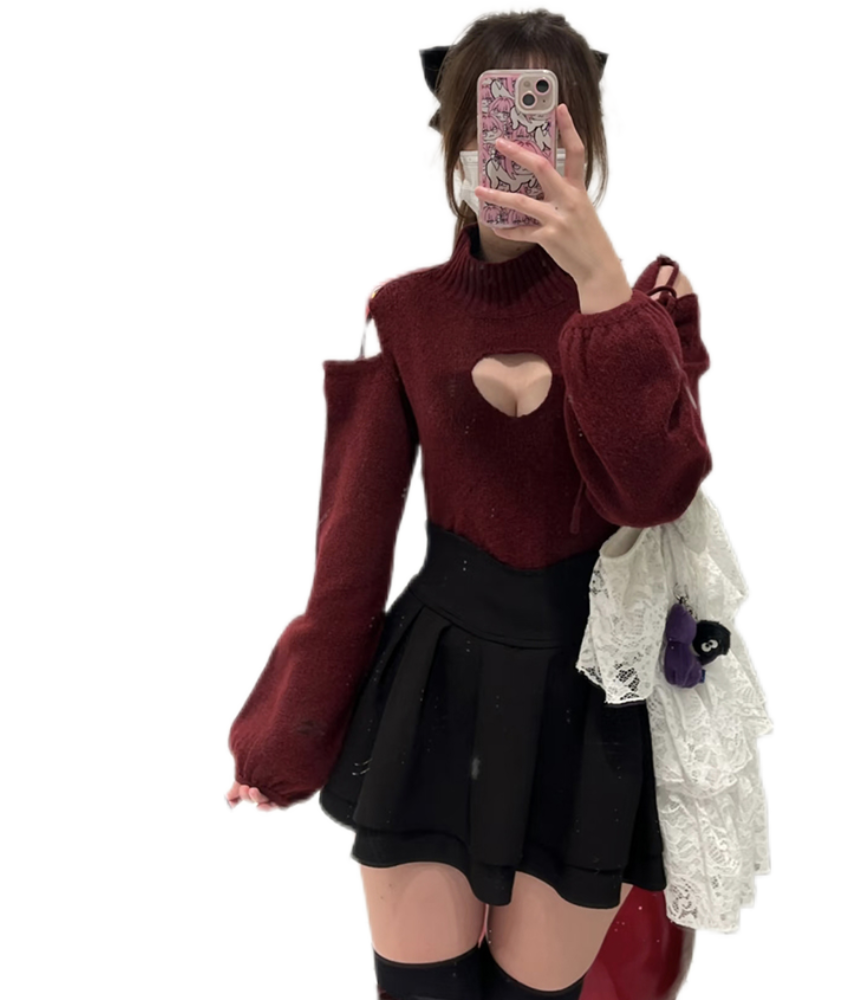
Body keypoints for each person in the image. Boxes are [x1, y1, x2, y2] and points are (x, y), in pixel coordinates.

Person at [226, 11, 712, 1000]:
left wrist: (602, 289)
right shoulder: (404, 313)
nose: (525, 152)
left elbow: (655, 492)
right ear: (460, 137)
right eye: (503, 123)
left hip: (588, 701)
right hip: (433, 692)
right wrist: (283, 739)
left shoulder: (648, 305)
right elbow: (349, 552)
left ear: (585, 140)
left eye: (551, 126)